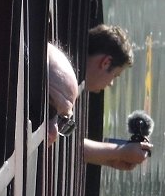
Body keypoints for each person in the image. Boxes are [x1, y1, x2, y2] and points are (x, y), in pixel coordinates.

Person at [45, 27, 152, 171]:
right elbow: (67, 147)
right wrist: (119, 152)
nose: (111, 83)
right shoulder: (61, 80)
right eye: (115, 75)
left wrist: (114, 157)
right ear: (106, 62)